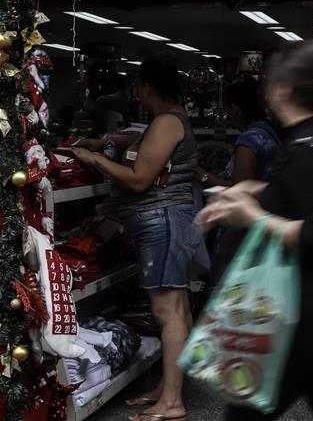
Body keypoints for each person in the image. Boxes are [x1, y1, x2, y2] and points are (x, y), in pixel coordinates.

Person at [197, 42, 313, 421]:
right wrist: (252, 191)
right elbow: (307, 195)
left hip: (308, 314)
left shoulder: (307, 146)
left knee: (244, 414)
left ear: (281, 91)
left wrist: (252, 216)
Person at [71, 51, 199, 421]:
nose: (137, 95)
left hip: (163, 220)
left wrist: (94, 159)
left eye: (138, 88)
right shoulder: (172, 120)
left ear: (145, 86)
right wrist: (109, 144)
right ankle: (170, 387)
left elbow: (140, 179)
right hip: (167, 221)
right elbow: (143, 150)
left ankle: (173, 401)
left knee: (167, 311)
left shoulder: (166, 122)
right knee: (177, 308)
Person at [197, 76, 283, 285]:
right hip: (265, 229)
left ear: (236, 109)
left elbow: (241, 189)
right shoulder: (270, 134)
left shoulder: (247, 142)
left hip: (243, 235)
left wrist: (202, 175)